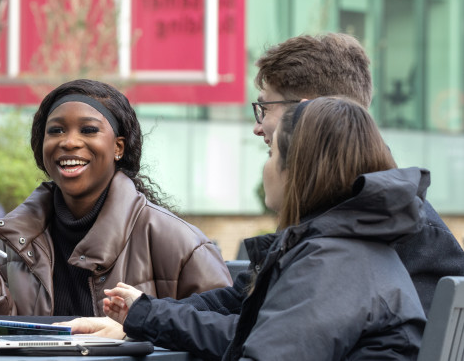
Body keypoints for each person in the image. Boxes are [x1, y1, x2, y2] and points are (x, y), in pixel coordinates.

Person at [62, 32, 464, 357]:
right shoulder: (360, 215)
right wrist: (141, 315)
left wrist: (146, 316)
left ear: (304, 116)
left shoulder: (355, 242)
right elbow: (250, 304)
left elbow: (267, 338)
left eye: (264, 108)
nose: (257, 128)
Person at [105, 97, 427, 359]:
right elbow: (258, 335)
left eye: (271, 153)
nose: (266, 166)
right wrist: (146, 315)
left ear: (299, 170)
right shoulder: (349, 249)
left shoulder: (332, 262)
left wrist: (146, 315)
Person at [0, 79, 231, 317]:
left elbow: (221, 335)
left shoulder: (181, 243)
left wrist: (138, 329)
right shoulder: (13, 244)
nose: (69, 142)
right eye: (56, 130)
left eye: (88, 130)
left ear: (118, 148)